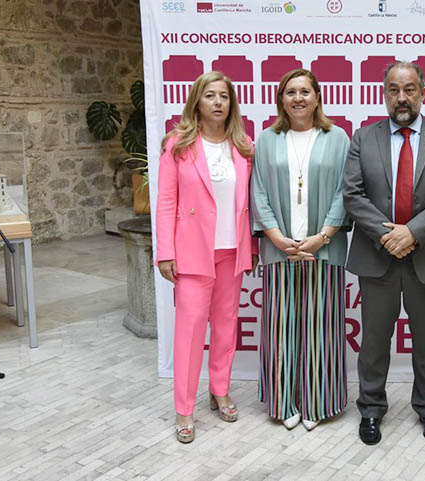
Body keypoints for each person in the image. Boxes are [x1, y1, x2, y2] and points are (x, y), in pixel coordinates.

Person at [343, 61, 425, 446]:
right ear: (384, 94)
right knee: (375, 341)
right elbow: (352, 194)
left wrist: (412, 233)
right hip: (377, 256)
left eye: (410, 89)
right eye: (394, 89)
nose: (402, 97)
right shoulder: (364, 138)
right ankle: (370, 408)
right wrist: (390, 236)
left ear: (423, 93)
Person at [156, 71, 259, 444]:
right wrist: (165, 251)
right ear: (196, 101)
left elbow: (250, 203)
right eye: (210, 95)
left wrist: (253, 247)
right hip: (192, 254)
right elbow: (166, 202)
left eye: (224, 96)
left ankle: (219, 388)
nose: (218, 102)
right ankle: (184, 408)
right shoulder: (178, 145)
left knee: (227, 325)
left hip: (233, 251)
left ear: (232, 104)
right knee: (189, 332)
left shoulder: (244, 145)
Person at [251, 68, 351, 431]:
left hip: (324, 248)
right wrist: (276, 237)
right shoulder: (266, 139)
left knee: (321, 329)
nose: (298, 98)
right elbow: (258, 190)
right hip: (280, 250)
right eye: (290, 91)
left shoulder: (338, 137)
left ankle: (318, 403)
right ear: (281, 99)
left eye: (305, 91)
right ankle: (284, 401)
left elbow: (345, 191)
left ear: (317, 96)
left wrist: (322, 236)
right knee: (281, 329)